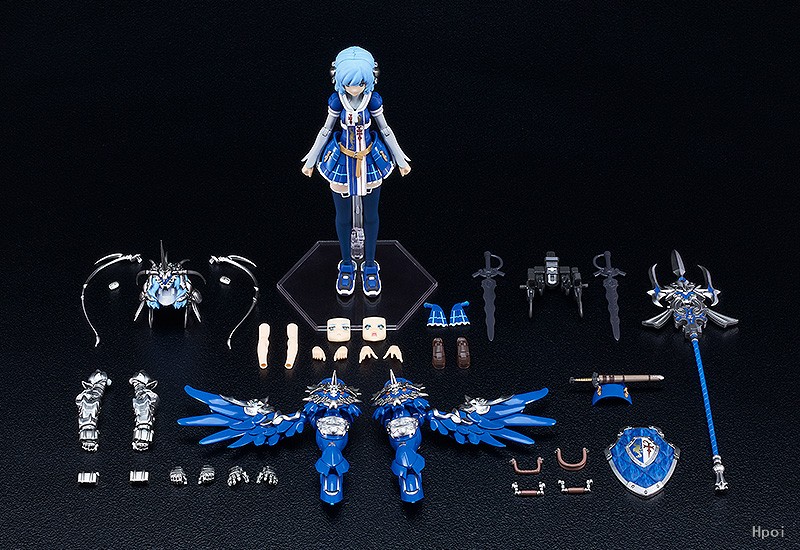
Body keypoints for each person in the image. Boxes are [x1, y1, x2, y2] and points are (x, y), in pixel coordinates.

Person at [302, 46, 410, 297]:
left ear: (370, 79)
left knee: (371, 215)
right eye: (349, 83)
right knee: (342, 217)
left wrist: (400, 158)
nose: (354, 88)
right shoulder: (336, 102)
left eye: (360, 83)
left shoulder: (372, 100)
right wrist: (311, 159)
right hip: (341, 160)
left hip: (370, 159)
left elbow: (385, 130)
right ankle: (347, 264)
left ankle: (370, 264)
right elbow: (326, 130)